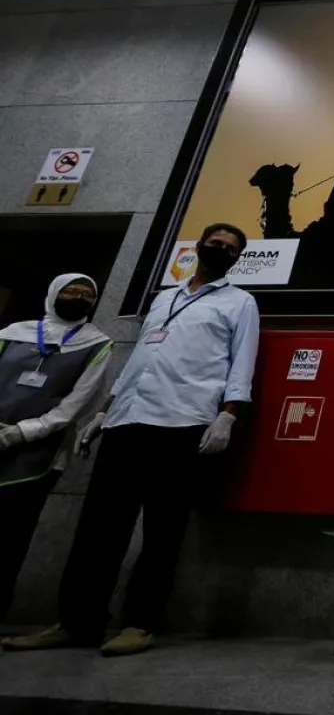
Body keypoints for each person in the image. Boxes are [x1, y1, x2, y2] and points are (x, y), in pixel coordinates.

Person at [3, 224, 260, 657]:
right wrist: (105, 410)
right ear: (198, 247)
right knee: (97, 529)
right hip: (127, 421)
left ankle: (140, 623)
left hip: (185, 424)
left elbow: (242, 364)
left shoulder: (240, 303)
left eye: (231, 249)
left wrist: (227, 418)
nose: (222, 250)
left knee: (163, 531)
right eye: (216, 243)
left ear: (238, 259)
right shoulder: (164, 297)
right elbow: (141, 356)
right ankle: (77, 622)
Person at [0, 274, 113, 623]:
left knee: (8, 542)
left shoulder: (97, 345)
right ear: (53, 293)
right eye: (70, 291)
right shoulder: (11, 333)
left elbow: (77, 405)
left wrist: (20, 433)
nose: (78, 297)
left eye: (87, 294)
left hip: (37, 456)